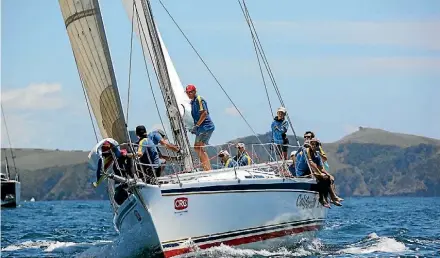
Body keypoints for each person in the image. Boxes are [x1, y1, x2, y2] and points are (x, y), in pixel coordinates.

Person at [186, 84, 215, 171]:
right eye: (187, 92)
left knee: (198, 147)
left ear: (195, 91)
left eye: (191, 92)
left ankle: (208, 169)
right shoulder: (192, 102)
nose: (189, 94)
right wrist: (193, 127)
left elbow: (205, 113)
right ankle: (207, 168)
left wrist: (197, 126)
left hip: (206, 127)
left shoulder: (199, 99)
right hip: (201, 128)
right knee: (198, 148)